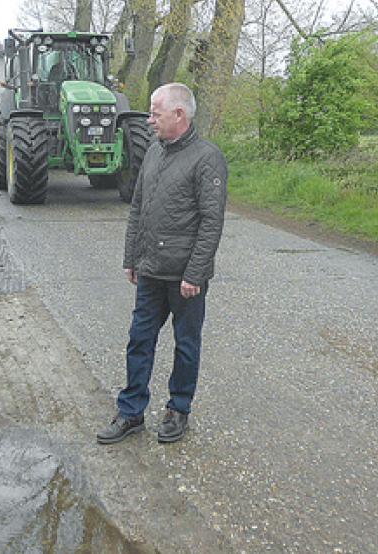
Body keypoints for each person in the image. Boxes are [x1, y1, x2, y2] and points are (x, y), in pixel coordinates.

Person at [97, 83, 228, 445]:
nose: (150, 119)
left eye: (156, 112)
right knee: (139, 340)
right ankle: (131, 411)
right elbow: (138, 207)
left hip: (185, 277)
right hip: (151, 269)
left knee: (186, 345)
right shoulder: (153, 151)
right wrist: (132, 257)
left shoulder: (207, 158)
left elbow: (211, 220)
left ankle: (178, 409)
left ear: (179, 115)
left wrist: (195, 273)